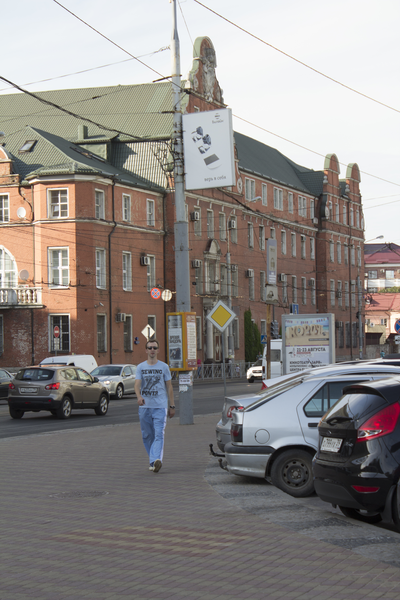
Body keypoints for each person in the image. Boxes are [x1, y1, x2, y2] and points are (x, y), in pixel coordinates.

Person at [134, 339, 175, 473]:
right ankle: (153, 460)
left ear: (158, 350)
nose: (152, 350)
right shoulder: (141, 367)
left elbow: (169, 387)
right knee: (147, 435)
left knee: (159, 434)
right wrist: (139, 396)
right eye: (150, 348)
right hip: (145, 407)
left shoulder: (164, 367)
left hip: (160, 406)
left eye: (155, 348)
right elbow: (137, 384)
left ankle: (156, 460)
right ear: (146, 350)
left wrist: (172, 406)